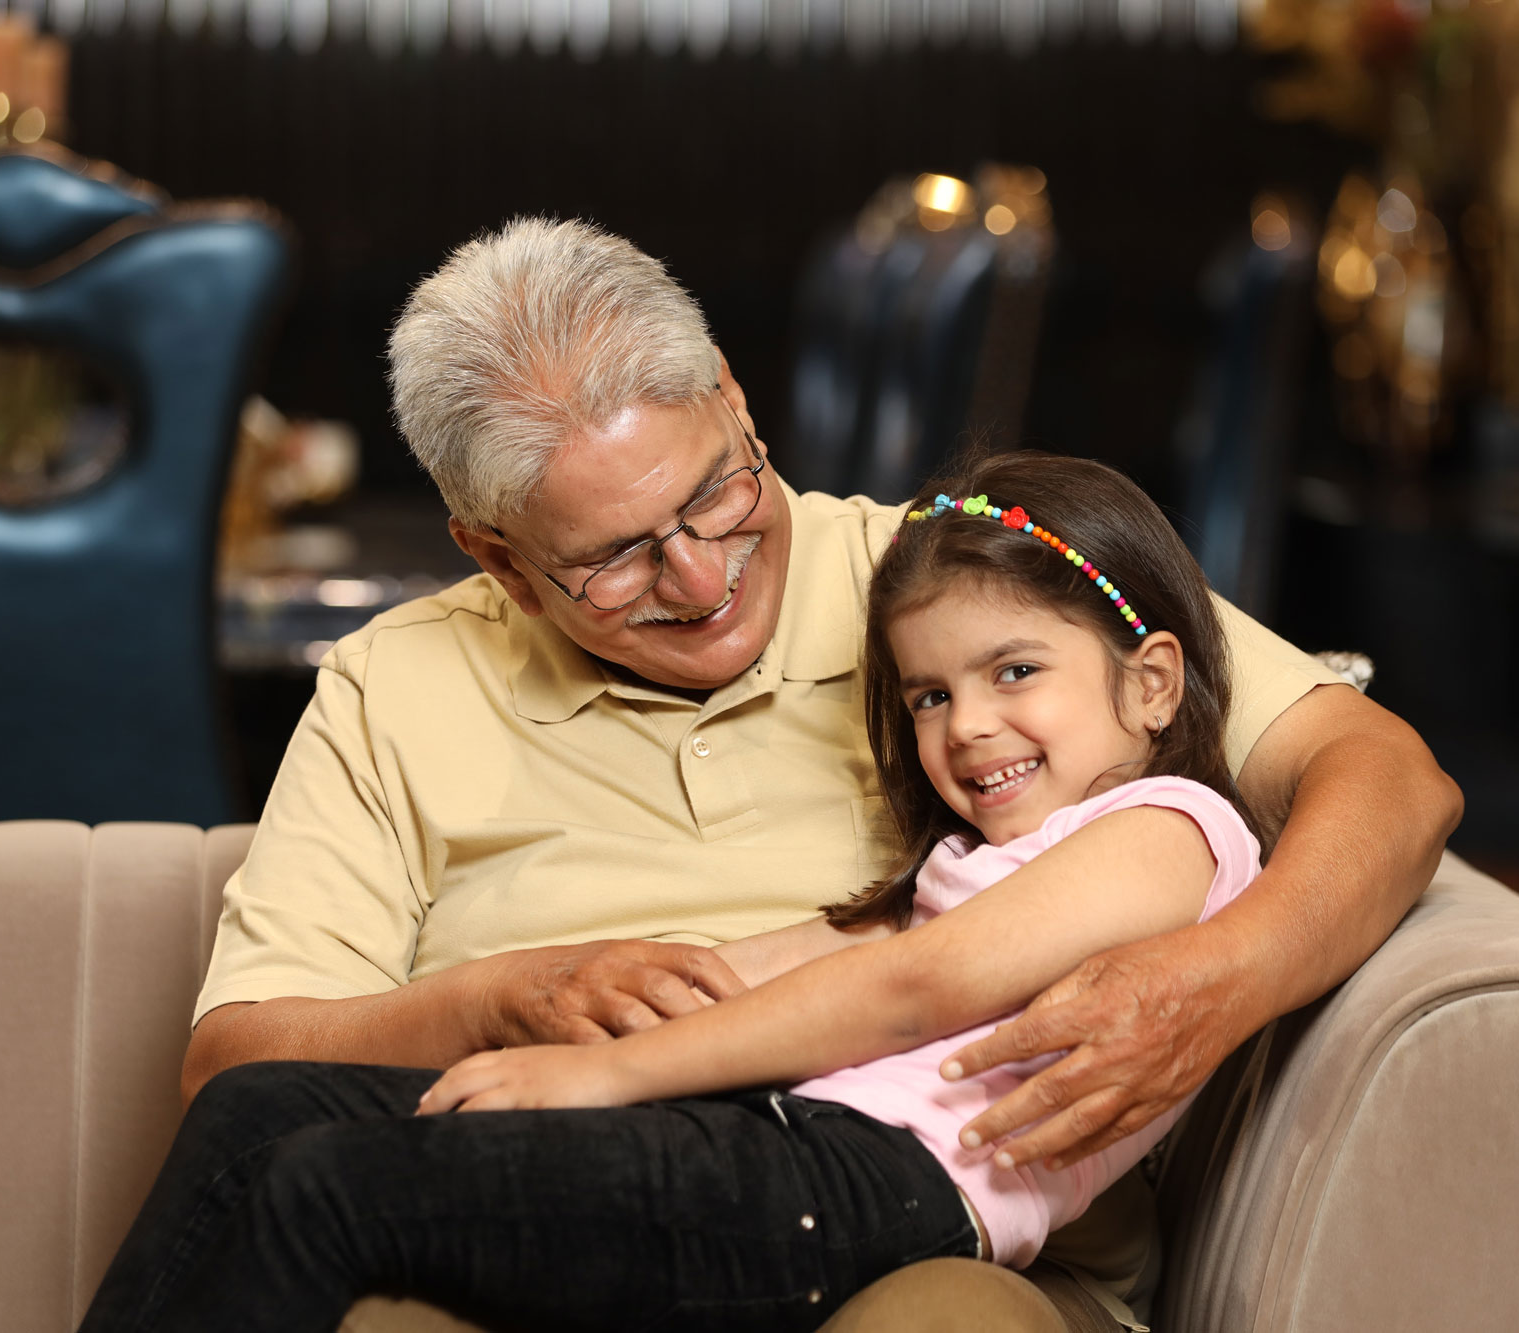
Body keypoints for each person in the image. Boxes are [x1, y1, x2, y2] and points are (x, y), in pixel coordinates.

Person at [179, 217, 1461, 1329]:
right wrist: (508, 1002)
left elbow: (1390, 779)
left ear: (736, 402)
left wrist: (1214, 977)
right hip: (542, 1198)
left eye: (714, 496)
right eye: (613, 559)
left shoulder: (968, 589)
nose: (699, 579)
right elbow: (238, 1072)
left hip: (879, 1221)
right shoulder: (391, 683)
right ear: (499, 558)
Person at [80, 453, 1277, 1333]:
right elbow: (801, 956)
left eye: (1014, 673)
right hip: (780, 1145)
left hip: (866, 1190)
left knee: (324, 1192)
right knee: (258, 1118)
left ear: (1154, 682)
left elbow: (922, 986)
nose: (966, 727)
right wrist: (568, 999)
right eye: (925, 697)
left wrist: (599, 1074)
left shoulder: (1171, 829)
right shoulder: (978, 860)